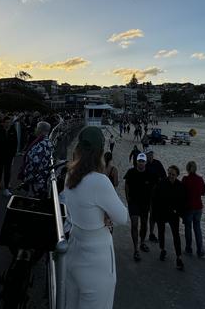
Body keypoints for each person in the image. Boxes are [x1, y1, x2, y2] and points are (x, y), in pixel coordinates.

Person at [63, 127, 128, 309]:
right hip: (96, 260)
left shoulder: (70, 175)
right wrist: (106, 213)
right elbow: (123, 217)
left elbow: (81, 206)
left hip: (74, 250)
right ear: (100, 151)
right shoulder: (99, 181)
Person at [152, 165, 186, 270]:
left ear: (177, 175)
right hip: (161, 212)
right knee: (161, 232)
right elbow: (155, 199)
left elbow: (182, 201)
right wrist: (154, 214)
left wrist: (180, 213)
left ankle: (179, 257)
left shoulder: (180, 185)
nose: (171, 176)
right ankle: (162, 249)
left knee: (176, 235)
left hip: (173, 214)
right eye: (169, 173)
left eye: (173, 174)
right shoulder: (162, 183)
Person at [124, 152, 154, 261]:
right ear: (137, 162)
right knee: (134, 224)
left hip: (145, 203)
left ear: (145, 162)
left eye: (143, 161)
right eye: (139, 161)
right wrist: (127, 198)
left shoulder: (149, 173)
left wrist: (152, 204)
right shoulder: (131, 172)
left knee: (144, 224)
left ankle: (142, 242)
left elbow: (153, 189)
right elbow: (126, 184)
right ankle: (136, 249)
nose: (141, 163)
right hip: (133, 202)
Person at [21, 121, 53, 198]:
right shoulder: (45, 141)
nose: (35, 129)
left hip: (37, 178)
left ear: (40, 130)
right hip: (38, 176)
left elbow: (36, 162)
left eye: (37, 128)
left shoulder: (42, 143)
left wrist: (28, 175)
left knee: (33, 198)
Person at [182, 160, 205, 257]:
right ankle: (200, 250)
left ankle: (188, 248)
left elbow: (182, 194)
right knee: (197, 228)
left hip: (189, 207)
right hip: (198, 206)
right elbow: (203, 192)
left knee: (188, 228)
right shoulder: (200, 179)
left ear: (187, 168)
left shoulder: (185, 179)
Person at [145, 148, 167, 243]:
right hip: (145, 193)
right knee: (144, 214)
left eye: (151, 154)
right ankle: (144, 233)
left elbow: (164, 176)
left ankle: (151, 233)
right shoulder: (143, 164)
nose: (150, 156)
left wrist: (160, 183)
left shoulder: (157, 163)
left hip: (156, 193)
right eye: (148, 154)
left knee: (153, 214)